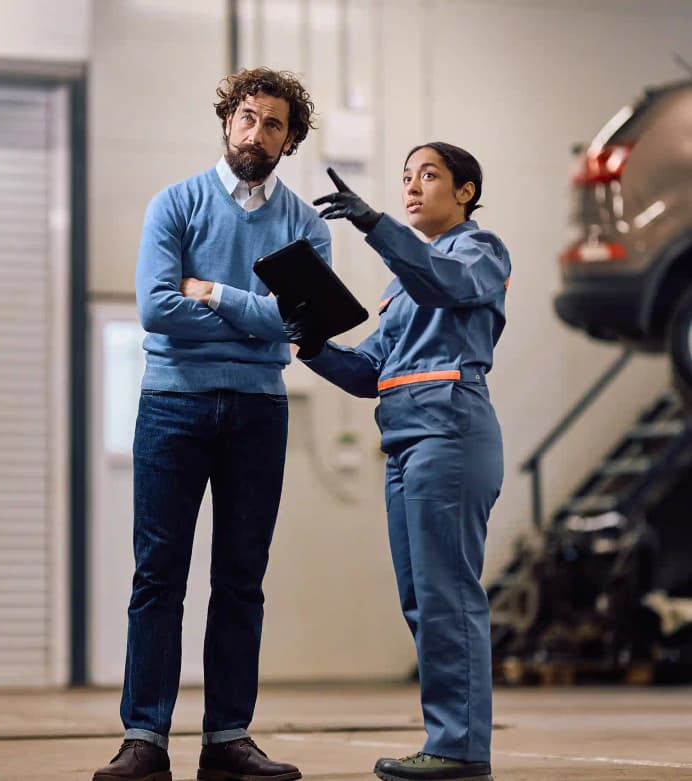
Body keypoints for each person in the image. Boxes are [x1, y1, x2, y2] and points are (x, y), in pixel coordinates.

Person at [92, 68, 330, 781]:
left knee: (241, 579)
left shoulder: (305, 225)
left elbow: (303, 322)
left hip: (260, 412)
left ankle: (228, 738)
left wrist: (216, 292)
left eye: (274, 124)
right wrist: (258, 320)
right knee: (157, 576)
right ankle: (145, 738)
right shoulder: (176, 204)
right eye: (248, 117)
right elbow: (158, 309)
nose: (257, 132)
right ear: (228, 121)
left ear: (290, 140)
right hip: (173, 405)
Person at [283, 143, 510, 781]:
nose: (412, 187)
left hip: (451, 434)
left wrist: (373, 224)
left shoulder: (481, 252)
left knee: (448, 595)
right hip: (404, 440)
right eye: (406, 177)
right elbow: (368, 373)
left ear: (466, 192)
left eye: (429, 176)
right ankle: (449, 740)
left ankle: (461, 748)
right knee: (420, 598)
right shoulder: (399, 286)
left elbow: (444, 282)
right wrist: (312, 343)